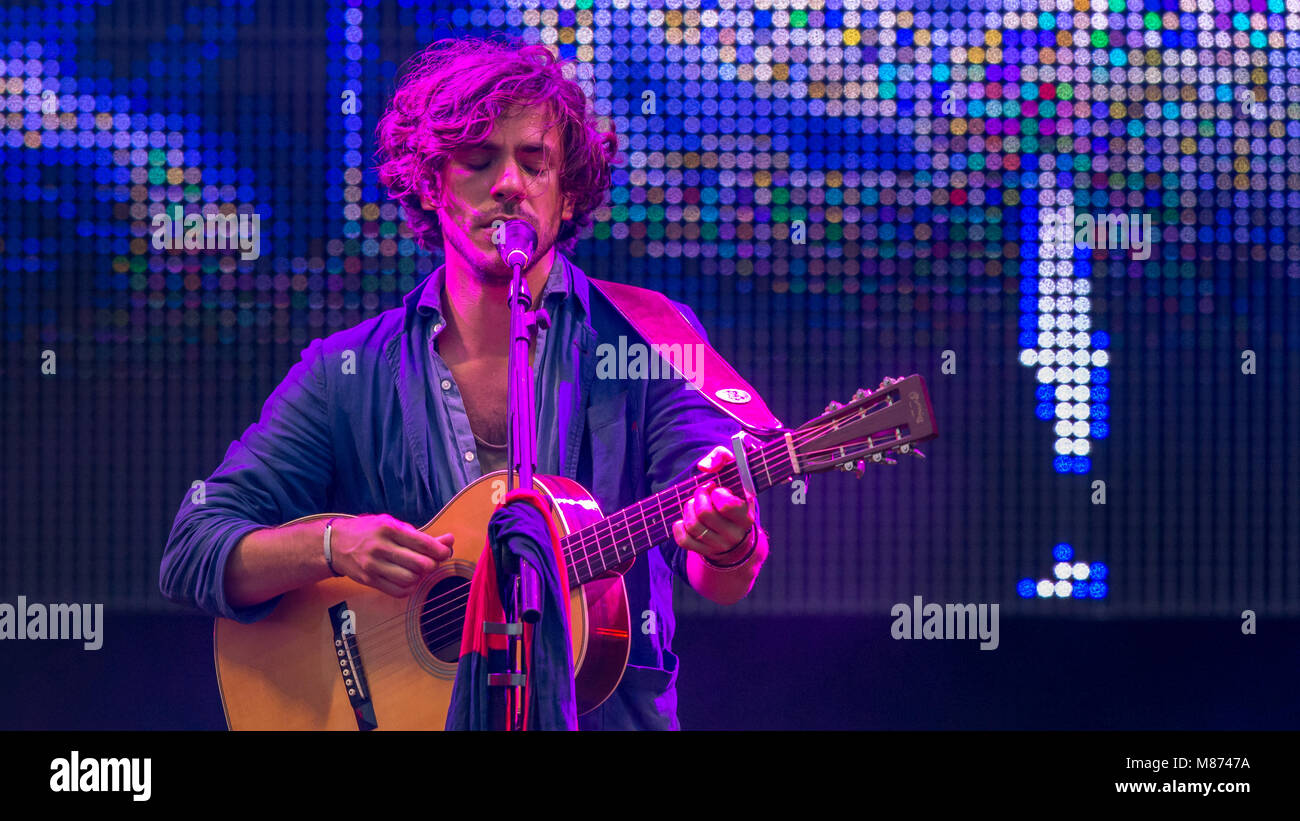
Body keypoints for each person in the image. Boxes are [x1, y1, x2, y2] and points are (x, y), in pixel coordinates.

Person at [160, 36, 771, 730]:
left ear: (567, 195)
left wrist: (730, 539)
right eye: (479, 160)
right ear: (431, 183)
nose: (508, 182)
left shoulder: (650, 337)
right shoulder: (344, 374)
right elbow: (195, 547)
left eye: (534, 162)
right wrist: (335, 543)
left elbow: (723, 577)